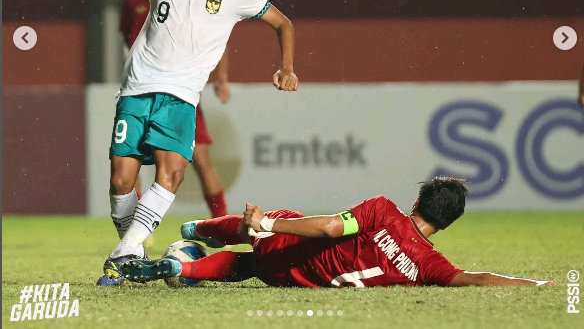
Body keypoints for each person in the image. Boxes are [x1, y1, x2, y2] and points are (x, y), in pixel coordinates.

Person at [9, 0, 299, 286]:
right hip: (136, 91)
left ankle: (120, 258)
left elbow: (282, 22)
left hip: (180, 99)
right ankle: (133, 252)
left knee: (173, 173)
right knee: (120, 182)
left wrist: (288, 67)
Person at [121, 176, 556, 288]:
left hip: (289, 247)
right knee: (251, 266)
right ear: (446, 223)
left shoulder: (385, 210)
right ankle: (185, 270)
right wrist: (533, 281)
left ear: (418, 204)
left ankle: (201, 229)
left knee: (281, 218)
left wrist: (267, 223)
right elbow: (476, 279)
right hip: (293, 280)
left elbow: (331, 227)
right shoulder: (428, 266)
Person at [120, 0, 230, 220]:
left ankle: (221, 225)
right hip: (141, 89)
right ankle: (138, 228)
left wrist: (222, 77)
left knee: (201, 160)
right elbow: (127, 36)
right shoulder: (133, 0)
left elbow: (216, 37)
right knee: (131, 160)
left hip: (180, 89)